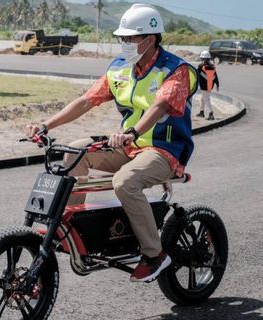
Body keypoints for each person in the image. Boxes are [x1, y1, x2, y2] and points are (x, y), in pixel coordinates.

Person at [25, 3, 198, 283]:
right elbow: (85, 101)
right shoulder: (119, 69)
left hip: (165, 151)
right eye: (123, 38)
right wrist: (46, 125)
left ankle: (154, 254)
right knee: (76, 150)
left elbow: (160, 107)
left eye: (130, 38)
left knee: (124, 182)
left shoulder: (176, 70)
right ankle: (72, 227)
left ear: (150, 39)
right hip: (129, 148)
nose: (124, 44)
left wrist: (131, 131)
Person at [196, 50, 220, 121]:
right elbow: (215, 76)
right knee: (203, 99)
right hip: (210, 86)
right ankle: (201, 112)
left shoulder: (201, 66)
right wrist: (217, 85)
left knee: (206, 100)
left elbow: (196, 74)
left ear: (202, 59)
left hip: (204, 86)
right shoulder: (212, 66)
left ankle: (211, 114)